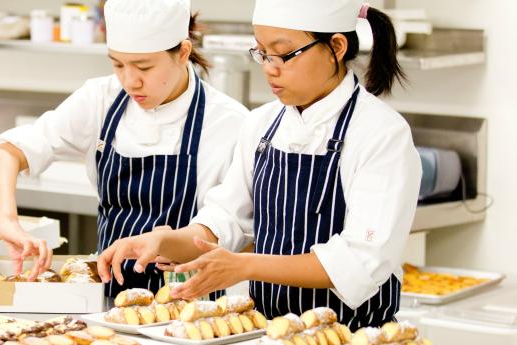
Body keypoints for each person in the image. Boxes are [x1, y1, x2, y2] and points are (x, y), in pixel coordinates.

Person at [98, 0, 421, 329]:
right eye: (261, 53)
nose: (269, 68)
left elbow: (361, 263)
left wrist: (245, 266)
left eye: (282, 54)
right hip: (267, 333)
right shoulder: (262, 125)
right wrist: (163, 242)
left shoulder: (381, 134)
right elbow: (226, 222)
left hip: (353, 334)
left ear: (336, 47)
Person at [0, 0, 248, 294]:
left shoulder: (228, 121)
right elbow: (6, 155)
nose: (129, 81)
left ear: (183, 52)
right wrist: (8, 223)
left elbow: (235, 230)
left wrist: (170, 243)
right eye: (118, 64)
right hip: (107, 299)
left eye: (144, 67)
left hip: (192, 306)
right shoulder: (100, 98)